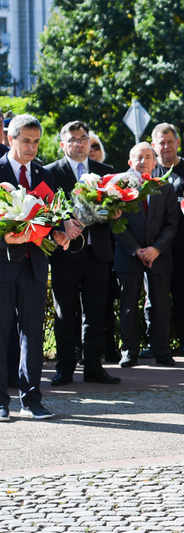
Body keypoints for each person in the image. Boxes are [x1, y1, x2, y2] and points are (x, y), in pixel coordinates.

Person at [0, 114, 70, 420]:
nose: (32, 147)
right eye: (26, 141)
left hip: (35, 266)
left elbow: (49, 216)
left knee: (33, 334)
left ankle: (32, 400)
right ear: (10, 139)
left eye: (37, 141)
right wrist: (7, 239)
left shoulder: (45, 174)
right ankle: (1, 402)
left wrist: (58, 233)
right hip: (3, 265)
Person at [46, 120, 120, 386]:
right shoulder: (50, 172)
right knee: (66, 313)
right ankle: (65, 368)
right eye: (73, 138)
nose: (79, 143)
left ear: (90, 142)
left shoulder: (106, 171)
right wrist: (62, 224)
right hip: (66, 253)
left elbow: (115, 209)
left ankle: (93, 367)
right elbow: (45, 211)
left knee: (96, 313)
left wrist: (114, 212)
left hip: (97, 253)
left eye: (84, 138)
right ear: (63, 143)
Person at [114, 143, 179, 368]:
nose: (143, 161)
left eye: (148, 157)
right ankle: (129, 352)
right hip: (128, 255)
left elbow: (172, 224)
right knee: (129, 305)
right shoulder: (118, 189)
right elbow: (117, 222)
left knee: (160, 305)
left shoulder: (165, 188)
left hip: (159, 256)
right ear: (130, 162)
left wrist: (156, 249)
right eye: (138, 157)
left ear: (155, 162)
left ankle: (161, 351)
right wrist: (136, 249)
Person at [151, 122, 184, 358]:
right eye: (162, 142)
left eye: (171, 141)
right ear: (154, 146)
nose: (167, 146)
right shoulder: (148, 172)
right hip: (155, 247)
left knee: (183, 295)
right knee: (154, 298)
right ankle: (155, 343)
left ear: (178, 143)